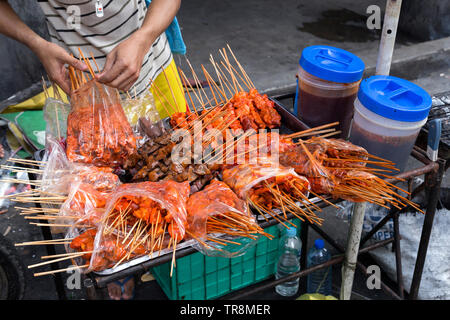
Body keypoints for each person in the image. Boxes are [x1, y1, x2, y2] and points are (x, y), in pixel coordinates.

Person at [0, 0, 186, 300]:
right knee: (99, 202)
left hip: (150, 70)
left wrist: (144, 36)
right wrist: (37, 44)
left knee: (171, 185)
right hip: (83, 89)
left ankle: (160, 264)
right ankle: (117, 261)